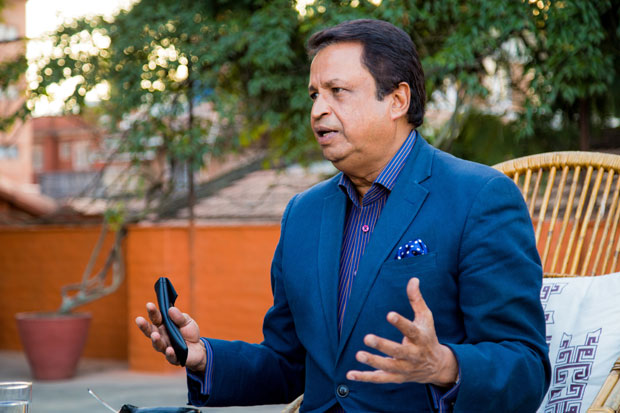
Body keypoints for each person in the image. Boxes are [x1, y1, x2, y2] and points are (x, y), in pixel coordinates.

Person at [136, 19, 550, 412]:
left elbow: (525, 365)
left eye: (337, 91)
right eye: (314, 95)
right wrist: (203, 356)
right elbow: (289, 363)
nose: (318, 110)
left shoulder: (479, 197)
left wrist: (445, 365)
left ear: (397, 100)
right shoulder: (303, 213)